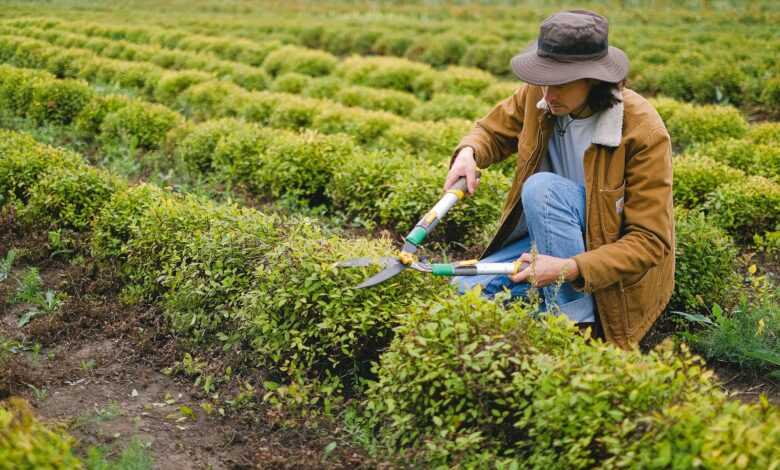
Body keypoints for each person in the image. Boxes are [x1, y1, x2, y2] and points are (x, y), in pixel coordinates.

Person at [443, 10, 674, 350]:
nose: (547, 94)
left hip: (604, 260)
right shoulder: (541, 97)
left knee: (542, 189)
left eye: (561, 83)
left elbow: (649, 241)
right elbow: (492, 131)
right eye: (544, 80)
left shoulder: (642, 131)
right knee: (463, 290)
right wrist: (469, 153)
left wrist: (569, 267)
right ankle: (548, 305)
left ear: (594, 80)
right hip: (550, 236)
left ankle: (575, 326)